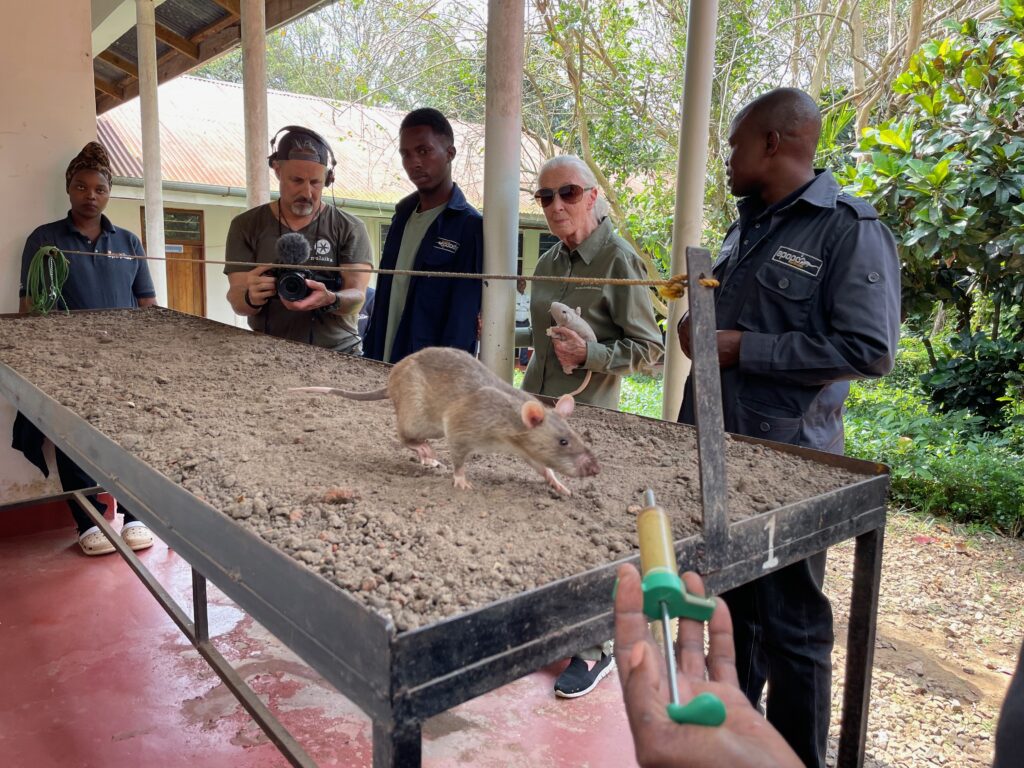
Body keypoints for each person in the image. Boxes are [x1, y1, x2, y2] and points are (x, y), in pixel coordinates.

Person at [676, 88, 901, 767]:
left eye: (736, 143)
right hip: (716, 456)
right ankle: (733, 752)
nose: (726, 158)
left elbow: (869, 350)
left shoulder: (848, 230)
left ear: (774, 144)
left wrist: (743, 347)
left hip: (788, 467)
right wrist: (696, 331)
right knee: (730, 619)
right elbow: (721, 325)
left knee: (792, 629)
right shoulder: (747, 225)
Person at [614, 563, 1024, 768]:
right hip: (736, 445)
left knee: (794, 627)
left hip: (787, 436)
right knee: (741, 618)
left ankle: (804, 756)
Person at [518, 154, 664, 698]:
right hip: (541, 414)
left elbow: (651, 349)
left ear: (594, 196)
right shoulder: (549, 260)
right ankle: (553, 629)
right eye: (546, 197)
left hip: (594, 419)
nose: (557, 205)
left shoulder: (619, 259)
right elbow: (535, 339)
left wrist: (593, 353)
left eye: (569, 193)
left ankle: (596, 649)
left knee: (590, 535)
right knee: (541, 521)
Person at [15, 141, 157, 556]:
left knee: (131, 437)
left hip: (124, 360)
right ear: (69, 189)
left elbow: (147, 304)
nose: (90, 195)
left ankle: (135, 515)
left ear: (109, 193)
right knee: (72, 439)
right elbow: (31, 306)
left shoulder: (129, 242)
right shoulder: (44, 239)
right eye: (81, 187)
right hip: (69, 362)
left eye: (99, 188)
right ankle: (90, 522)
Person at [225, 126, 372, 354]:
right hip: (265, 351)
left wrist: (330, 299)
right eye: (297, 180)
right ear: (277, 170)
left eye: (315, 182)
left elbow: (357, 298)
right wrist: (251, 296)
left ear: (328, 179)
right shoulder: (245, 225)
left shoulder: (350, 227)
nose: (307, 192)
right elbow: (237, 300)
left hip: (338, 352)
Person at [362, 108, 483, 363]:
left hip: (426, 376)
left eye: (424, 151)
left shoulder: (469, 226)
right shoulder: (401, 217)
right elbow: (386, 296)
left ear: (449, 153)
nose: (414, 162)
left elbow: (461, 321)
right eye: (406, 154)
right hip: (379, 360)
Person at [515, 277, 531, 368]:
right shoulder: (513, 295)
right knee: (512, 341)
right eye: (520, 283)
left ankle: (524, 361)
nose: (522, 285)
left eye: (524, 284)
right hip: (515, 322)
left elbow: (528, 308)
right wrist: (522, 306)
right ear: (517, 284)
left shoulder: (528, 296)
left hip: (525, 321)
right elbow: (515, 307)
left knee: (524, 342)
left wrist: (520, 306)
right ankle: (508, 358)